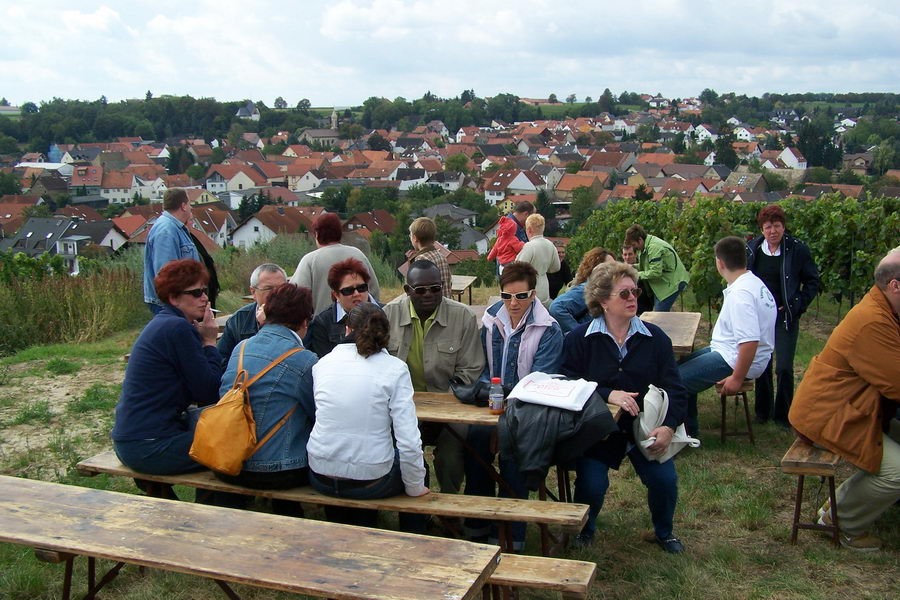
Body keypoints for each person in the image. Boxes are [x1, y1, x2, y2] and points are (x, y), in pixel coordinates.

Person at [559, 261, 688, 553]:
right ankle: (585, 529)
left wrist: (668, 427)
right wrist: (607, 393)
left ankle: (663, 532)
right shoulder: (580, 340)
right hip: (599, 431)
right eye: (624, 294)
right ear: (603, 301)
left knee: (664, 481)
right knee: (591, 485)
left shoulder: (655, 339)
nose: (633, 298)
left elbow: (677, 389)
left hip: (646, 429)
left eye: (635, 291)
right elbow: (565, 384)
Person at [788, 249, 900, 552]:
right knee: (897, 472)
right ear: (895, 286)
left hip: (848, 407)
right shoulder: (872, 321)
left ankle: (840, 507)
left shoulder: (883, 309)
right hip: (828, 417)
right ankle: (842, 523)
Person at [464, 261, 563, 550]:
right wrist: (490, 397)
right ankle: (477, 522)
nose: (513, 303)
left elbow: (541, 380)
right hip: (491, 404)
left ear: (533, 294)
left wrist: (506, 409)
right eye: (507, 297)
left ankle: (511, 533)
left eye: (521, 296)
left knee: (513, 451)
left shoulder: (549, 329)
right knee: (475, 441)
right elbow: (481, 367)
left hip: (528, 411)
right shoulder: (491, 320)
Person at [308, 302, 429, 531]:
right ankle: (415, 536)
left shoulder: (321, 365)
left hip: (320, 473)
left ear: (346, 330)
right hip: (371, 479)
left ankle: (341, 528)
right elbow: (409, 442)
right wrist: (415, 487)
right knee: (418, 465)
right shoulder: (395, 368)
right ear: (386, 333)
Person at [215, 283, 318, 516]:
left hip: (230, 461)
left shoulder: (240, 348)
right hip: (281, 470)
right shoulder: (304, 360)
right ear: (304, 321)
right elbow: (319, 415)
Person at [383, 260, 485, 495]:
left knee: (452, 454)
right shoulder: (388, 315)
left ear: (443, 287)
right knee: (396, 448)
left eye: (435, 288)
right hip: (402, 407)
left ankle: (448, 506)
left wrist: (441, 406)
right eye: (420, 290)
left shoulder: (463, 317)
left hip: (450, 404)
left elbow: (471, 370)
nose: (428, 294)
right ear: (407, 290)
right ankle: (410, 504)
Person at [112, 259, 222, 475]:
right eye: (196, 293)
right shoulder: (177, 328)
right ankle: (219, 506)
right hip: (150, 446)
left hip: (130, 440)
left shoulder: (164, 322)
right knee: (235, 440)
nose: (205, 298)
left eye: (205, 290)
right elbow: (208, 391)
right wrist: (210, 342)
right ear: (173, 298)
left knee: (217, 435)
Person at [678, 236, 777, 437]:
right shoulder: (754, 283)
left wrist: (737, 378)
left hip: (735, 359)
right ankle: (687, 430)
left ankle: (687, 435)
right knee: (678, 367)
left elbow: (750, 341)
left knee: (676, 381)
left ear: (719, 262)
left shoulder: (741, 294)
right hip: (728, 351)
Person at [746, 205, 820, 427]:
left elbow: (813, 281)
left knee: (785, 367)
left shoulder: (797, 250)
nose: (773, 231)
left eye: (777, 226)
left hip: (785, 316)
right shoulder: (753, 249)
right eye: (768, 227)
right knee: (763, 364)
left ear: (783, 227)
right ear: (762, 229)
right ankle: (763, 411)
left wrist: (795, 305)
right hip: (761, 317)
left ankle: (784, 415)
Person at [289, 212, 380, 313]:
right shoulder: (357, 254)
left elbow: (296, 298)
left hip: (321, 325)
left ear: (317, 234)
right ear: (340, 232)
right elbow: (374, 291)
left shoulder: (310, 260)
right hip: (360, 321)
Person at [304, 258, 376, 358]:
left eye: (361, 288)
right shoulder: (323, 323)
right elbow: (325, 362)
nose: (356, 294)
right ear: (336, 294)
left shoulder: (388, 312)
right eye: (348, 290)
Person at [143, 189, 201, 314]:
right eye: (189, 204)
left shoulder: (175, 228)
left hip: (179, 301)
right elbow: (167, 274)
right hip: (171, 304)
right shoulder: (166, 231)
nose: (191, 208)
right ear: (183, 206)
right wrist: (177, 305)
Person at [217, 263, 287, 365]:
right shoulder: (238, 321)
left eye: (281, 288)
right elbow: (222, 362)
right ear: (253, 292)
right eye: (269, 289)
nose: (276, 294)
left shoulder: (298, 318)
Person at [549, 248, 616, 334]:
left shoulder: (604, 288)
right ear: (596, 269)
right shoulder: (589, 288)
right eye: (610, 267)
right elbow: (556, 308)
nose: (615, 271)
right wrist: (581, 334)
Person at [624, 224, 689, 312]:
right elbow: (647, 265)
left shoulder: (654, 248)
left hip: (672, 282)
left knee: (659, 314)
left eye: (634, 244)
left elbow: (655, 272)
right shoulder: (644, 247)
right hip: (665, 282)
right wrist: (632, 266)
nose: (634, 247)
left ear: (640, 239)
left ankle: (664, 325)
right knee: (660, 313)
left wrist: (635, 274)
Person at [515, 214, 560, 306]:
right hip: (544, 288)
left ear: (529, 230)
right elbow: (556, 267)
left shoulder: (529, 246)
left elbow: (517, 268)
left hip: (530, 288)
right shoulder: (550, 245)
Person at [408, 216, 452, 297]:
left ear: (414, 238)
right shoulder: (441, 256)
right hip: (446, 304)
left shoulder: (421, 260)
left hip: (431, 305)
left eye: (410, 235)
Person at [623, 244, 655, 313]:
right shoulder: (621, 272)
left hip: (646, 306)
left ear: (635, 254)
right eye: (625, 255)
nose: (627, 257)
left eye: (630, 254)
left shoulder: (644, 268)